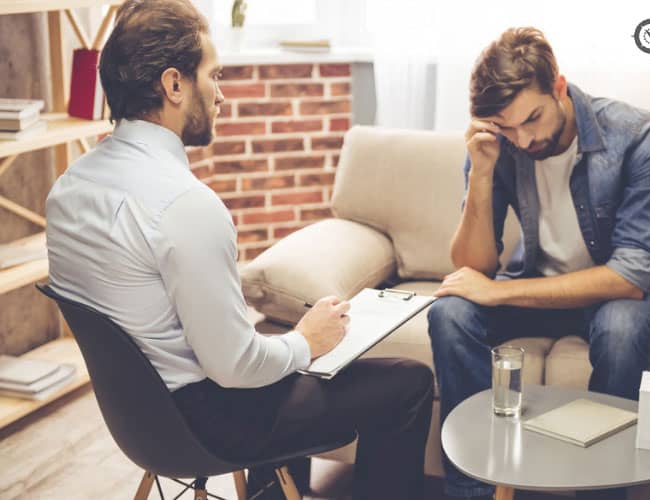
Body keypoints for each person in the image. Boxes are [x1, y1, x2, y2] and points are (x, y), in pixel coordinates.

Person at [44, 2, 433, 499]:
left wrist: (291, 349)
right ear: (174, 85)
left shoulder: (68, 189)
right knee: (408, 382)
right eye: (215, 74)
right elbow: (235, 368)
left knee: (286, 363)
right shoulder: (185, 205)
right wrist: (307, 341)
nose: (221, 93)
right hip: (209, 425)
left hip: (136, 425)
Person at [427, 27, 650, 500]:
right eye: (507, 127)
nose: (523, 139)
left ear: (559, 87)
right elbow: (472, 266)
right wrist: (481, 172)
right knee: (449, 313)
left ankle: (600, 492)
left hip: (617, 298)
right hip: (537, 287)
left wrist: (499, 291)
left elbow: (630, 275)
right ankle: (473, 491)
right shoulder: (497, 142)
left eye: (532, 119)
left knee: (622, 330)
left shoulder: (637, 135)